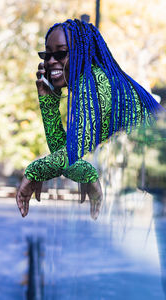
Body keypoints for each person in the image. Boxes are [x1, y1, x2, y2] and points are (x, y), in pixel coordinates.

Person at [16, 19, 165, 219]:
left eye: (60, 54)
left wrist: (34, 172)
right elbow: (67, 154)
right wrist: (48, 101)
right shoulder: (89, 84)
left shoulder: (98, 84)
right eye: (47, 55)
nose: (51, 61)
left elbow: (70, 153)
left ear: (82, 53)